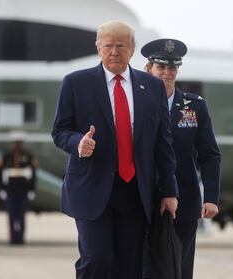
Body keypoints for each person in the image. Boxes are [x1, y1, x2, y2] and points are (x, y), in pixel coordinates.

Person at [51, 21, 179, 279]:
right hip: (91, 186)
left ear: (132, 49)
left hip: (135, 190)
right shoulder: (76, 83)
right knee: (96, 258)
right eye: (108, 46)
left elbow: (162, 144)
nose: (114, 52)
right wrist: (78, 143)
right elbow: (60, 131)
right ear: (98, 48)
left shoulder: (152, 87)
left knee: (129, 265)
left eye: (120, 46)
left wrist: (169, 191)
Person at [141, 39, 221, 279]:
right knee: (145, 269)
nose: (167, 72)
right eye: (161, 67)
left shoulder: (194, 107)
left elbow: (210, 155)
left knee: (180, 269)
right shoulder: (136, 104)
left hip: (184, 202)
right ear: (149, 69)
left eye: (172, 67)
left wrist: (211, 198)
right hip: (143, 199)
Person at [0, 132, 37, 244]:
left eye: (19, 143)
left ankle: (20, 238)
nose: (17, 145)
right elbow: (0, 173)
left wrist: (32, 189)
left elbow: (33, 174)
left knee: (21, 215)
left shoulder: (28, 156)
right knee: (11, 215)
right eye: (16, 143)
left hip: (23, 190)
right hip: (10, 190)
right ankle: (12, 238)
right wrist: (2, 188)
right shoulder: (7, 156)